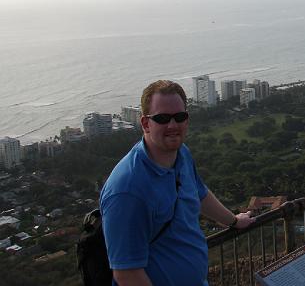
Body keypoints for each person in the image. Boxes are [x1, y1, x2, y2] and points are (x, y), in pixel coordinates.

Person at [100, 80, 253, 286]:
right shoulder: (127, 190)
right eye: (162, 118)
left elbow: (200, 195)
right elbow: (127, 274)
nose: (172, 125)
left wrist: (233, 221)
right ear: (145, 123)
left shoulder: (181, 154)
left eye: (179, 117)